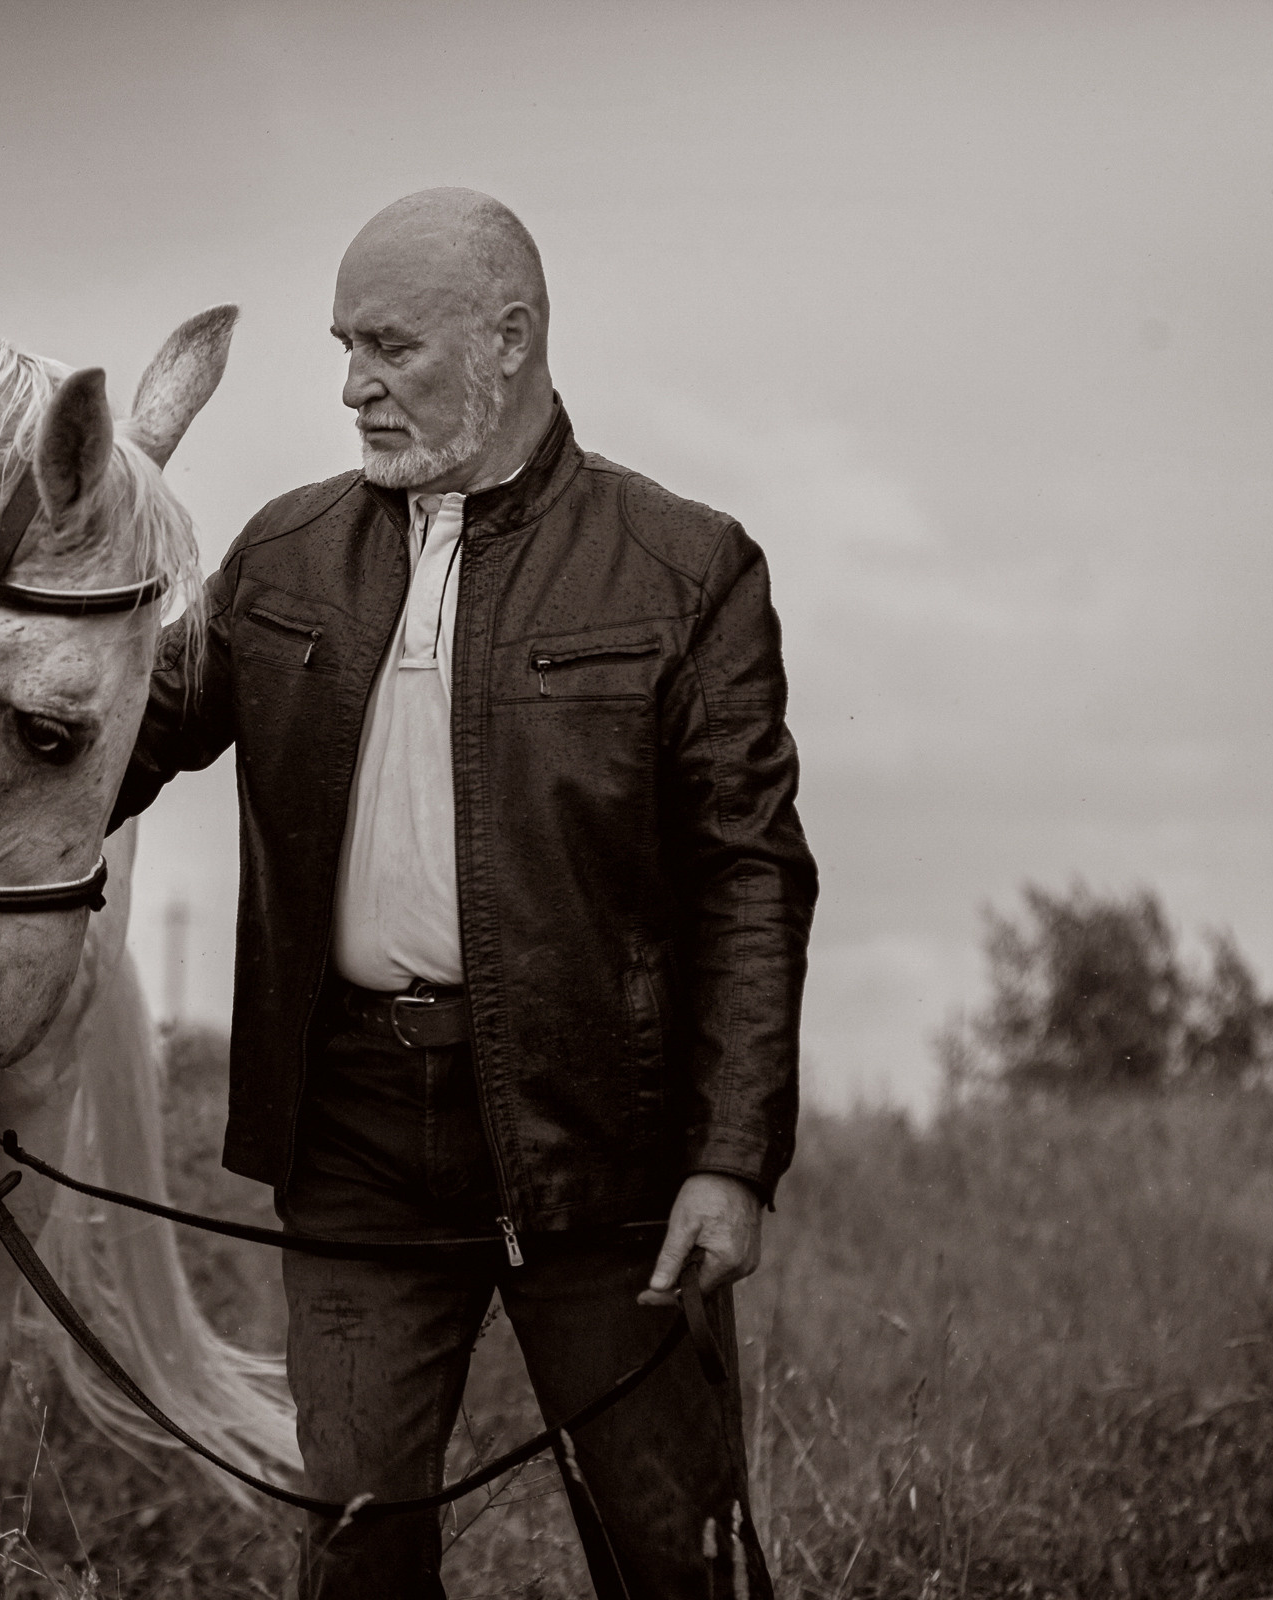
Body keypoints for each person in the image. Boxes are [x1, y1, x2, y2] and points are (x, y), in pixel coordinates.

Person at [111, 187, 816, 1599]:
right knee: (358, 1546)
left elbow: (752, 879)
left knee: (667, 1548)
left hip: (600, 1145)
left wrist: (729, 1159)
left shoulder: (685, 568)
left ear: (508, 341)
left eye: (388, 347)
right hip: (356, 1135)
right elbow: (109, 736)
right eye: (342, 346)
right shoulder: (284, 555)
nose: (353, 385)